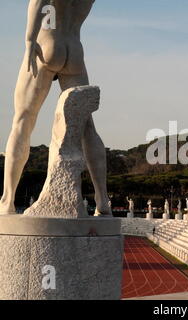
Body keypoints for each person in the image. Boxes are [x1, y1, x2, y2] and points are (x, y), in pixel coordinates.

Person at [0, 0, 110, 216]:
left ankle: (8, 200)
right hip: (74, 49)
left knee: (23, 121)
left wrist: (29, 39)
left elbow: (38, 1)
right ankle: (102, 199)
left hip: (46, 42)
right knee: (88, 128)